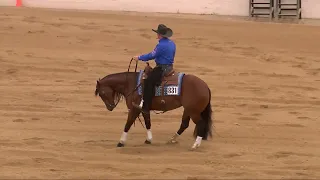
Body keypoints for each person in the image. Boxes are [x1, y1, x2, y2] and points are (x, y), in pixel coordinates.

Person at [132, 24, 176, 112]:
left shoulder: (161, 46)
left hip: (162, 68)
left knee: (148, 82)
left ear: (160, 35)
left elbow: (151, 55)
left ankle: (145, 106)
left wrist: (139, 57)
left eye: (157, 33)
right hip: (169, 67)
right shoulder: (172, 43)